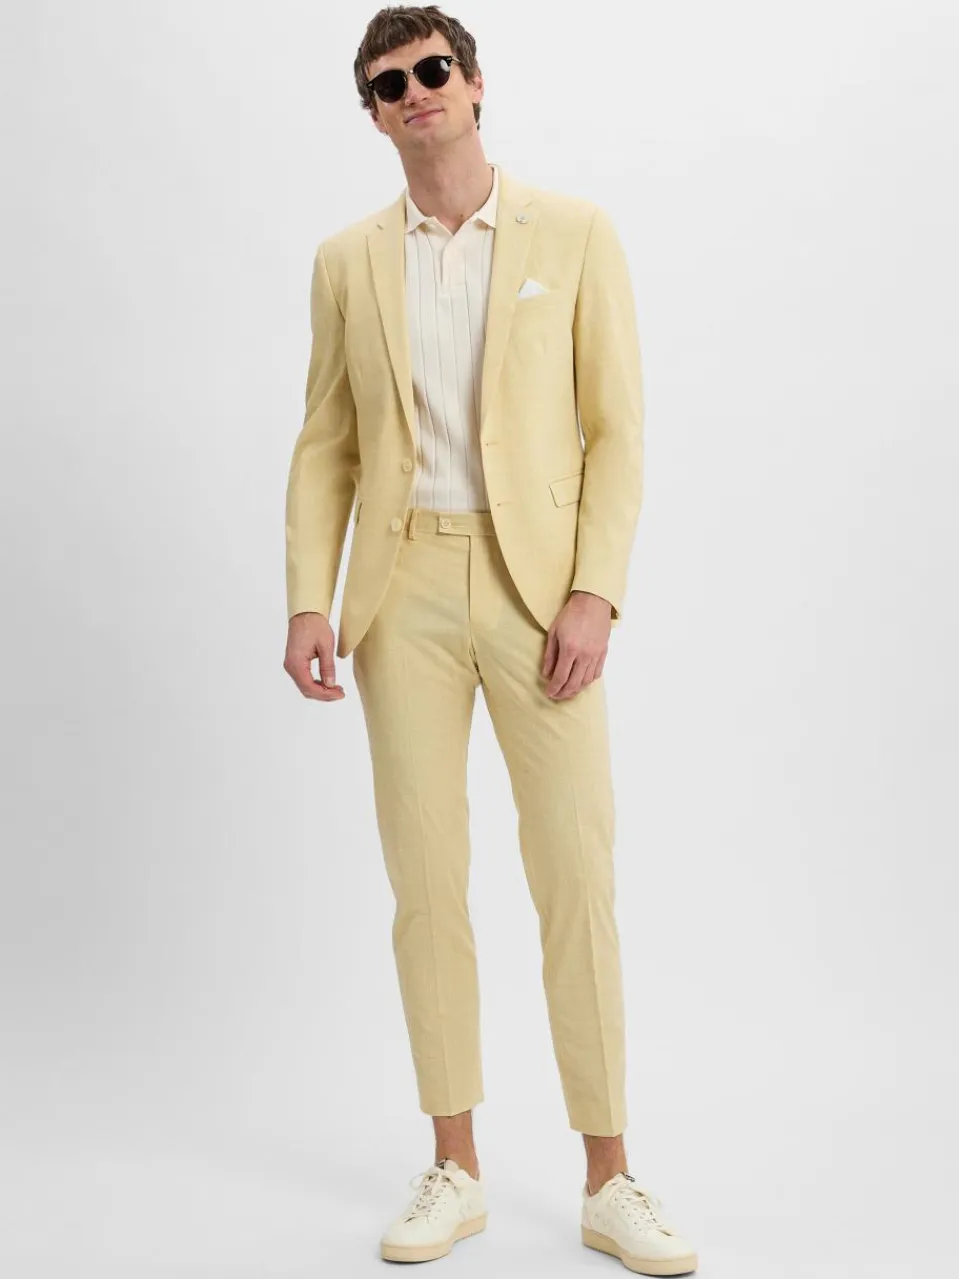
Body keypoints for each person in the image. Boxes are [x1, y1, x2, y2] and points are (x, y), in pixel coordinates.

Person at [283, 5, 697, 1273]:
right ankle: (454, 1164)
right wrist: (307, 596)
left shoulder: (573, 233)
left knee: (574, 873)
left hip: (538, 592)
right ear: (372, 114)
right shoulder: (345, 260)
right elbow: (327, 442)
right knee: (426, 883)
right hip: (398, 588)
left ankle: (609, 1177)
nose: (414, 91)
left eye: (432, 69)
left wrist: (595, 591)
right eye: (387, 82)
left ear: (472, 85)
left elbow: (616, 428)